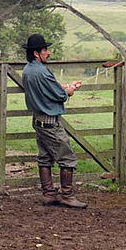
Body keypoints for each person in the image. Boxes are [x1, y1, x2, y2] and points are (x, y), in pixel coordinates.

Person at [22, 34, 87, 209]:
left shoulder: (28, 70)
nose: (48, 52)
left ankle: (49, 194)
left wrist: (65, 86)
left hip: (38, 121)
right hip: (50, 123)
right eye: (45, 50)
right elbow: (58, 95)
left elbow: (49, 89)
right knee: (68, 158)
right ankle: (67, 195)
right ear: (37, 53)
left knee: (45, 157)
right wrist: (69, 91)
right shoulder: (42, 72)